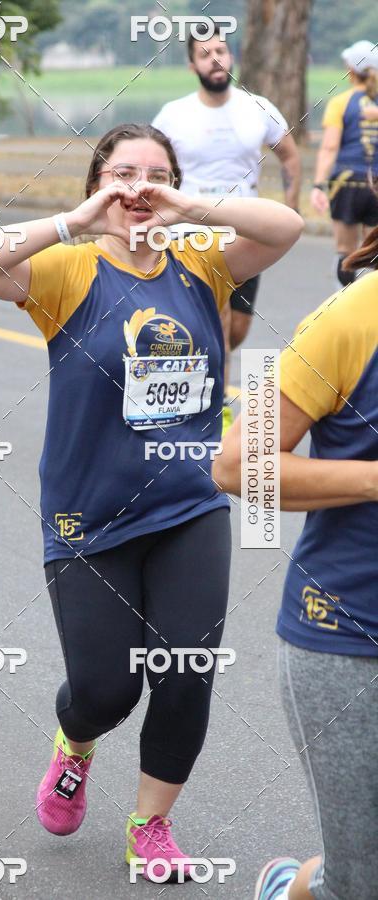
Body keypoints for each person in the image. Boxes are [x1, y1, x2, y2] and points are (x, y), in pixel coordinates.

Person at [0, 123, 303, 882]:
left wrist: (190, 205)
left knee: (185, 667)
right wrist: (79, 221)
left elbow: (287, 227)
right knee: (107, 689)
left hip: (190, 502)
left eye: (155, 174)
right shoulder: (68, 269)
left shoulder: (202, 263)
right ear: (94, 186)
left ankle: (151, 824)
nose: (138, 187)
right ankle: (76, 741)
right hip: (89, 512)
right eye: (121, 173)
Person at [213, 230, 378, 899]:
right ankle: (292, 889)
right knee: (361, 883)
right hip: (349, 640)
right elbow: (236, 463)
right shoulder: (355, 317)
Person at [152, 24, 301, 431]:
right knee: (214, 320)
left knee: (236, 329)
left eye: (221, 51)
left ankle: (202, 384)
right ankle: (214, 408)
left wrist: (289, 211)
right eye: (205, 54)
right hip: (191, 236)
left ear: (231, 57)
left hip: (246, 234)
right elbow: (154, 167)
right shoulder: (174, 114)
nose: (214, 59)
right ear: (191, 64)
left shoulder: (259, 108)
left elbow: (289, 155)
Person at [311, 40, 378, 287]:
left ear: (350, 70)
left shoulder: (340, 103)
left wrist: (318, 185)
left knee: (346, 252)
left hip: (346, 182)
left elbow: (329, 147)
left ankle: (343, 303)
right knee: (374, 254)